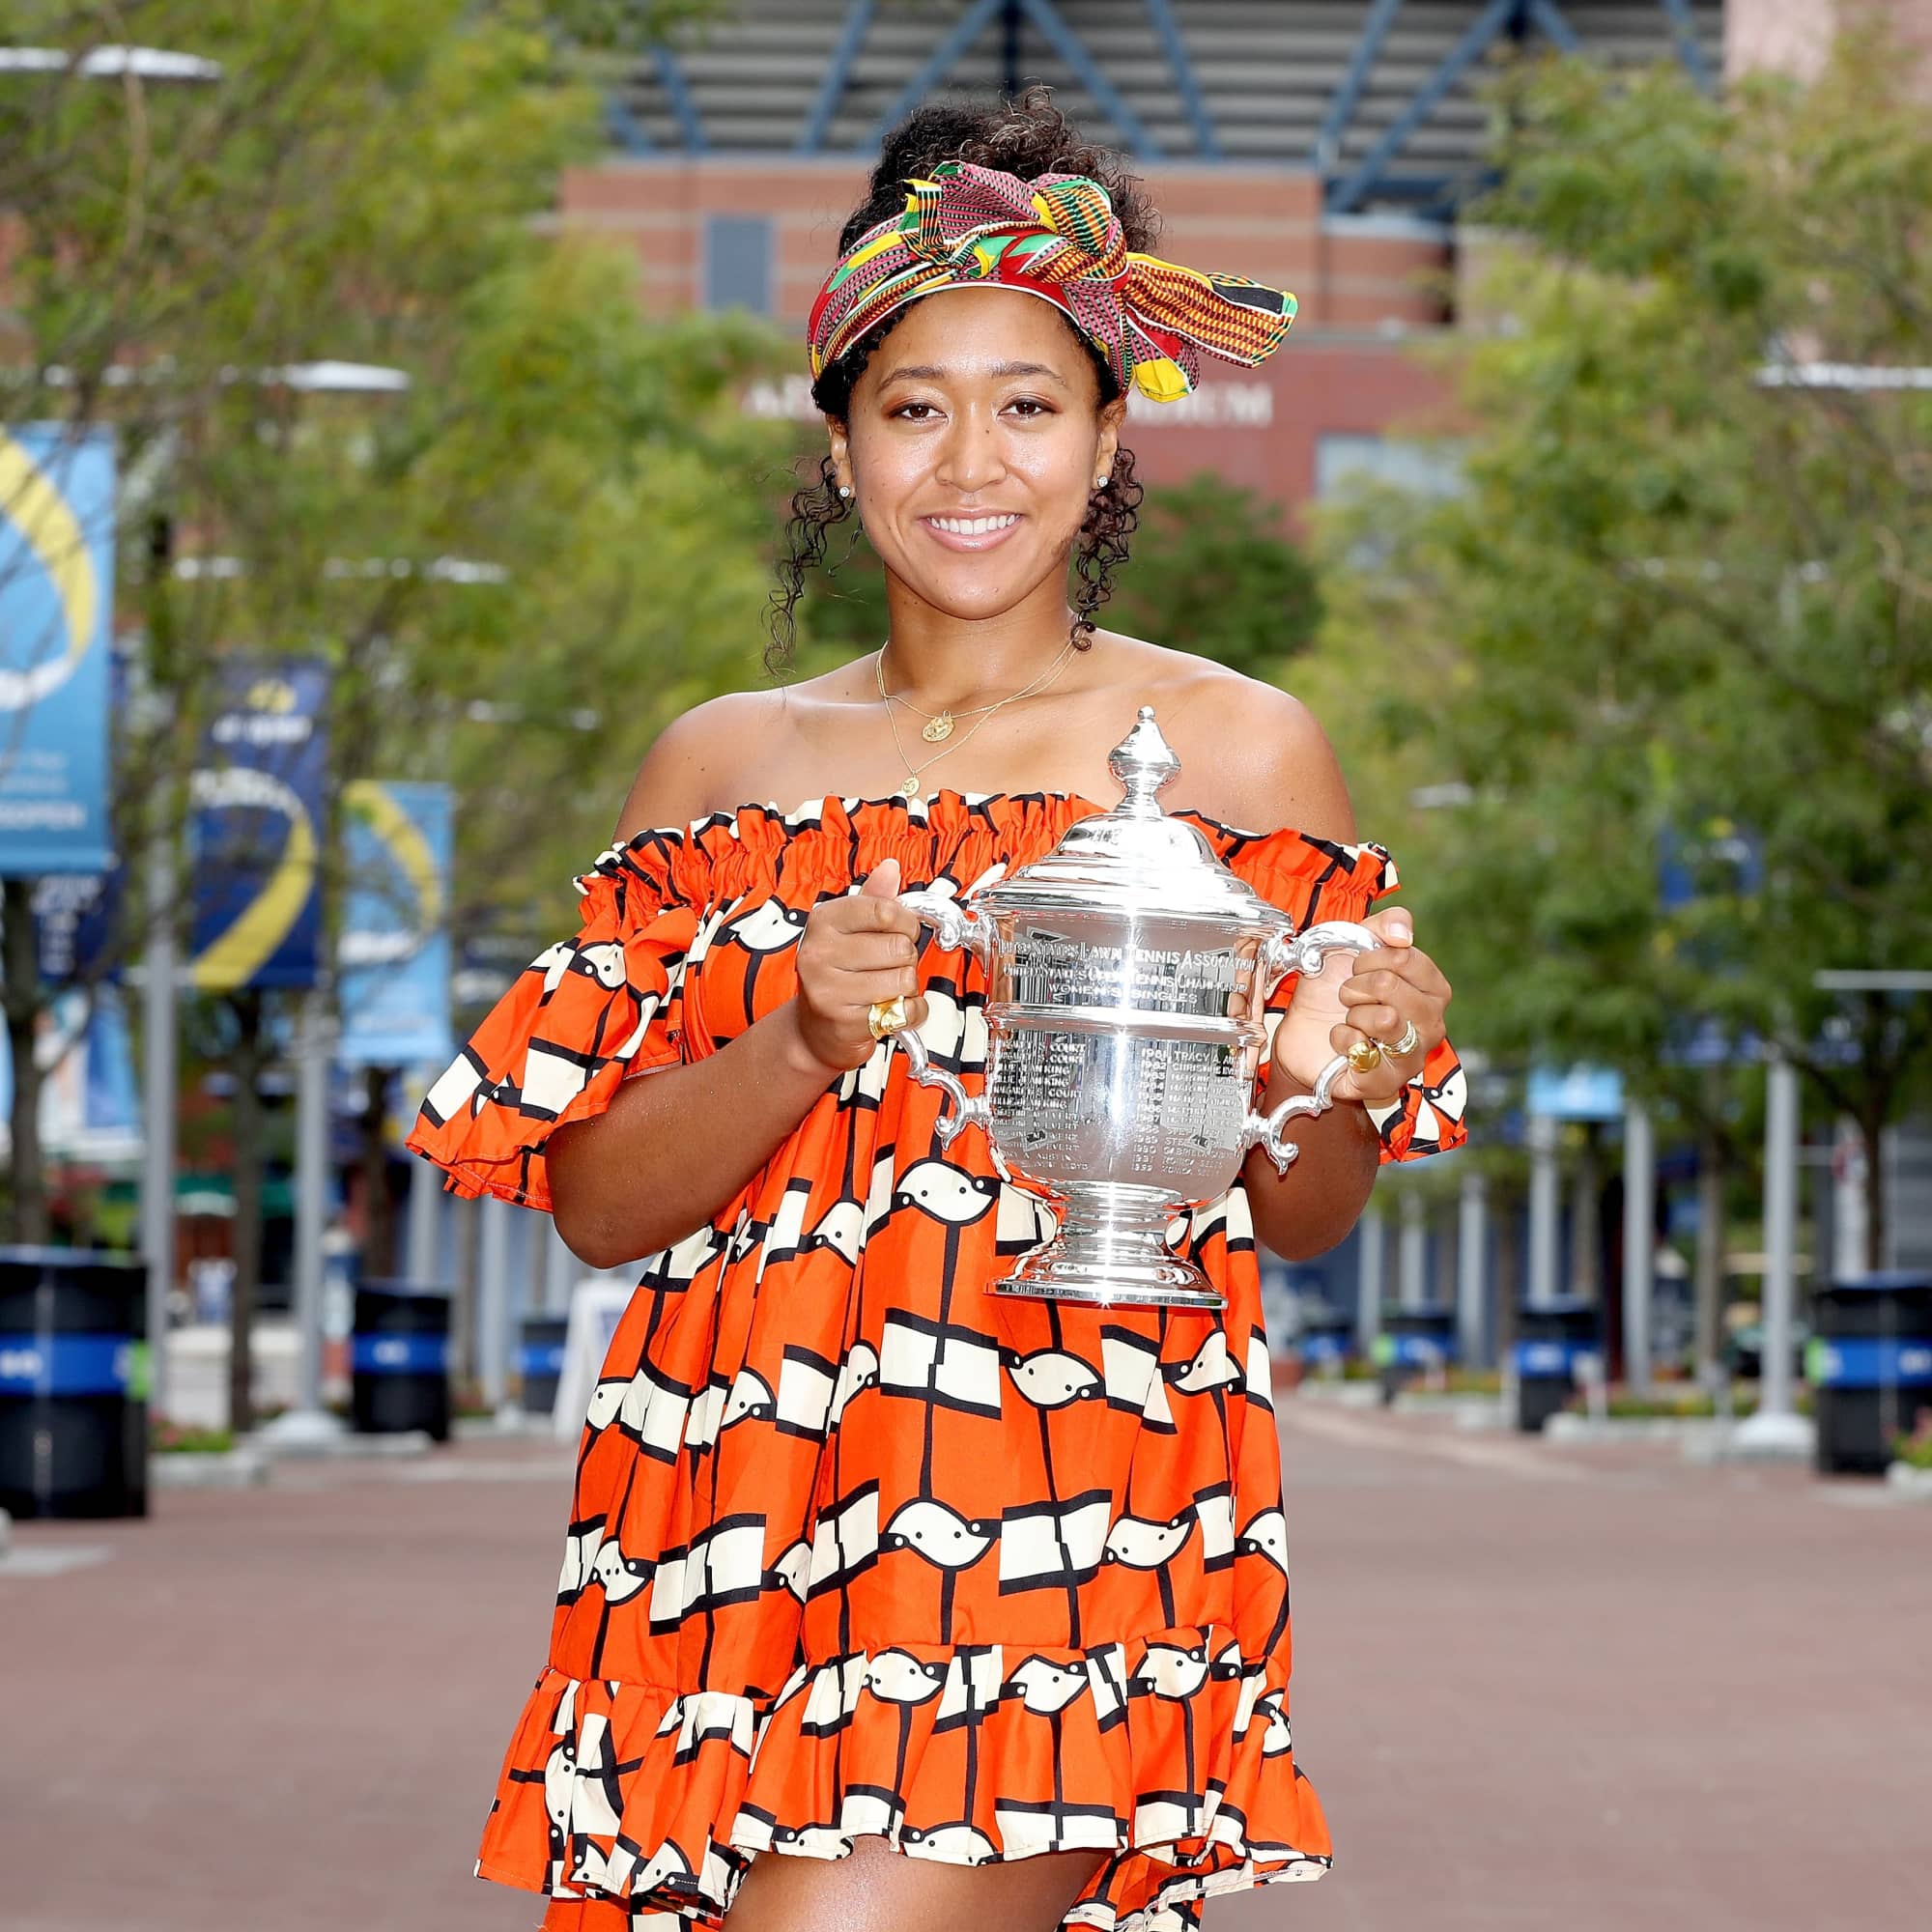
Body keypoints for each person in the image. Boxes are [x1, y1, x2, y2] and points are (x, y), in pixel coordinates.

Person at [408, 90, 1467, 1932]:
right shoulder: (719, 772)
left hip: (1062, 1492)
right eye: (914, 406)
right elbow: (594, 1205)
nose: (970, 461)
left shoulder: (1236, 752)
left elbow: (1297, 1209)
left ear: (1113, 435)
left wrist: (1347, 1069)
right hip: (722, 1505)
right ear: (836, 447)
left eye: (1029, 404)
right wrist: (799, 1038)